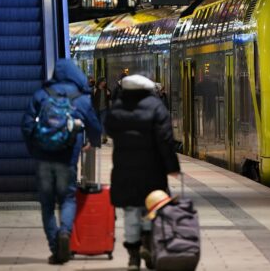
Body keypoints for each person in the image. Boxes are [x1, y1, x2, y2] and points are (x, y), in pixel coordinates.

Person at [21, 59, 102, 265]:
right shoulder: (81, 99)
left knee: (47, 205)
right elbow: (94, 126)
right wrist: (92, 143)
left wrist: (35, 149)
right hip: (67, 158)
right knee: (67, 199)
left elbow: (27, 125)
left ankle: (56, 248)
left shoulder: (41, 95)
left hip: (43, 158)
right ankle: (65, 232)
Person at [104, 74, 181, 270]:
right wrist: (172, 167)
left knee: (130, 211)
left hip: (124, 170)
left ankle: (133, 256)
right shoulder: (156, 107)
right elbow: (165, 139)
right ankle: (148, 243)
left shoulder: (118, 108)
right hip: (152, 170)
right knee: (151, 208)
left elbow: (109, 129)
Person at [93, 77, 112, 144]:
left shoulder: (107, 90)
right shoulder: (95, 90)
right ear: (100, 82)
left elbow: (109, 100)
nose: (105, 82)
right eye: (103, 81)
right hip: (95, 109)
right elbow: (91, 100)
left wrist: (109, 95)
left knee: (103, 123)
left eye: (105, 81)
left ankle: (104, 137)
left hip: (104, 109)